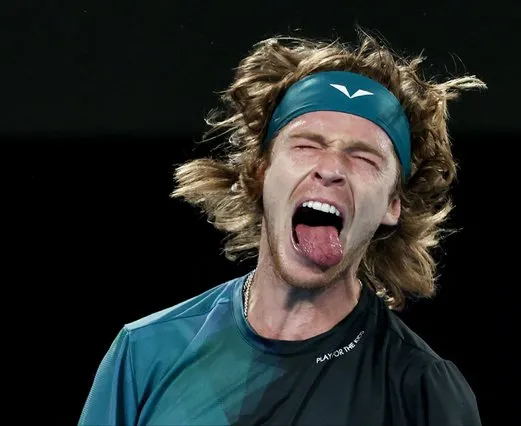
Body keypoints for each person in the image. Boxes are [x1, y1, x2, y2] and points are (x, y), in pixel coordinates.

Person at [79, 30, 486, 425]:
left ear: (392, 205)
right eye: (307, 144)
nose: (330, 169)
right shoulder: (147, 352)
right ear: (260, 172)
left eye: (364, 158)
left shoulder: (421, 391)